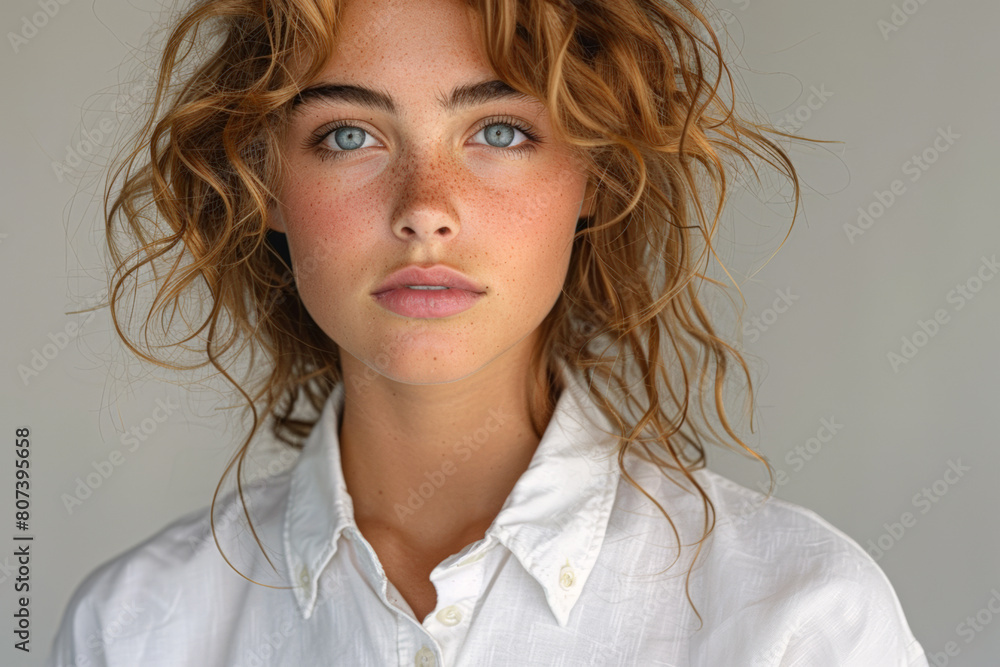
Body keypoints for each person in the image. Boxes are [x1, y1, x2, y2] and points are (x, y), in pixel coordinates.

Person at [49, 0, 929, 664]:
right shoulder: (131, 628)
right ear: (266, 184)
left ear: (594, 175)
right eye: (349, 133)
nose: (425, 208)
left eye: (499, 130)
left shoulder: (798, 618)